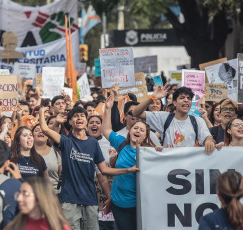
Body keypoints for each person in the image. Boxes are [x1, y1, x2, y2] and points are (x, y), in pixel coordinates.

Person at [39, 106, 139, 230]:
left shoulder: (93, 143)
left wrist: (128, 170)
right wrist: (42, 112)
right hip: (69, 201)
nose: (79, 118)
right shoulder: (66, 141)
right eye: (76, 116)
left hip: (90, 200)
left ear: (86, 121)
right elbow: (45, 129)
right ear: (70, 122)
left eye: (82, 116)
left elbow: (104, 170)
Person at [102, 93, 156, 230]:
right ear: (130, 131)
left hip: (140, 205)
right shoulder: (122, 144)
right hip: (119, 203)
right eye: (135, 128)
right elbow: (106, 130)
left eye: (142, 130)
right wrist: (108, 109)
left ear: (145, 136)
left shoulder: (149, 152)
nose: (138, 130)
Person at [132, 86, 215, 153]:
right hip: (169, 167)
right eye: (182, 98)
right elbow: (135, 113)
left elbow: (207, 137)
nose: (186, 100)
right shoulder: (163, 117)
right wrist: (152, 98)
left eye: (189, 99)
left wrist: (209, 141)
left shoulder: (197, 121)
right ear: (174, 103)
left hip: (189, 167)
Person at [5, 177, 71, 230]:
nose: (19, 198)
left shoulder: (60, 227)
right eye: (19, 193)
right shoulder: (13, 227)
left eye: (25, 194)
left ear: (40, 197)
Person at [32, 124, 61, 193]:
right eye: (37, 130)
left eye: (43, 131)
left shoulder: (55, 152)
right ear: (31, 135)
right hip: (32, 193)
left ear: (48, 137)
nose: (40, 132)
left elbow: (61, 175)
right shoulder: (27, 152)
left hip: (54, 194)